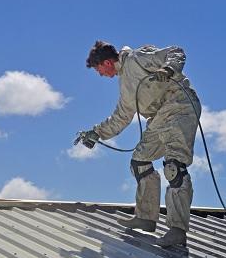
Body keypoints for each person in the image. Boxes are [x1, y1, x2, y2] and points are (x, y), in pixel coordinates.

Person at [81, 40, 201, 247]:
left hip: (180, 106)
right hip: (159, 118)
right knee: (140, 162)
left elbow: (175, 51)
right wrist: (96, 133)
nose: (100, 75)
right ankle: (146, 218)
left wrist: (169, 68)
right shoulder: (125, 86)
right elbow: (121, 117)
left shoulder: (138, 58)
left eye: (98, 70)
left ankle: (177, 230)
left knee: (174, 167)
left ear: (107, 62)